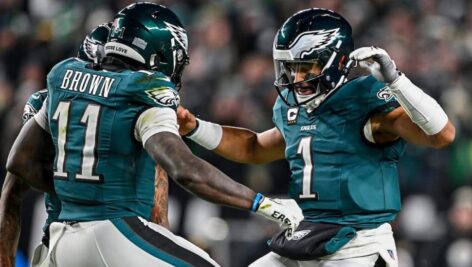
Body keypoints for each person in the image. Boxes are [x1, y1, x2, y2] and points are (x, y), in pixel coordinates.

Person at [6, 3, 303, 267]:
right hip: (112, 231)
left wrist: (76, 185)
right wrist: (263, 203)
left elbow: (19, 162)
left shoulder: (63, 78)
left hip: (57, 239)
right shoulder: (145, 90)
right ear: (161, 53)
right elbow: (185, 169)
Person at [177, 8, 455, 267]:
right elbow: (254, 147)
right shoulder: (294, 109)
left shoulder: (364, 103)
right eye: (291, 67)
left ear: (335, 63)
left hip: (359, 245)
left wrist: (396, 81)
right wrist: (195, 127)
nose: (296, 77)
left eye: (306, 67)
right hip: (310, 233)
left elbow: (442, 135)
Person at [0, 22, 167, 267]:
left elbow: (11, 192)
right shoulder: (141, 106)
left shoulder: (52, 101)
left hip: (67, 245)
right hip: (109, 242)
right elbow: (159, 213)